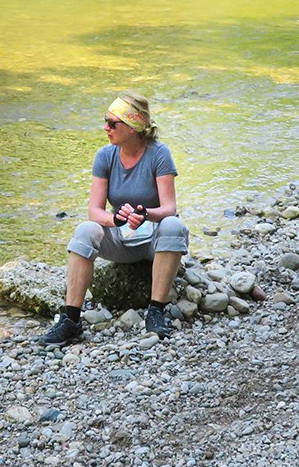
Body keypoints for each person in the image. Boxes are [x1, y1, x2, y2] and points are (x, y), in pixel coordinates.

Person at [39, 93, 188, 344]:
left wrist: (145, 214)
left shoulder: (160, 154)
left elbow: (169, 208)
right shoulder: (105, 156)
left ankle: (156, 311)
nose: (105, 128)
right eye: (105, 121)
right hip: (120, 238)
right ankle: (71, 319)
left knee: (174, 225)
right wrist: (115, 220)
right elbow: (94, 211)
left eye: (112, 123)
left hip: (154, 241)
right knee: (86, 229)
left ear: (132, 128)